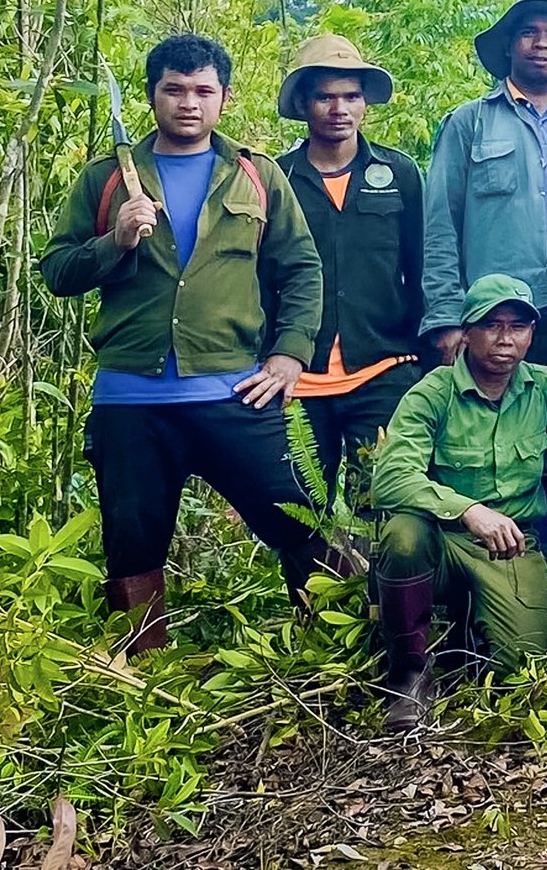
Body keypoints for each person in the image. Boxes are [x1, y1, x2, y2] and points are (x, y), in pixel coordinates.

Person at [39, 34, 334, 655]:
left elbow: (301, 269)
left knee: (299, 518)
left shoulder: (256, 175)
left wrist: (288, 356)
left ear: (224, 97)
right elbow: (59, 272)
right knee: (132, 546)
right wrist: (114, 241)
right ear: (152, 96)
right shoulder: (107, 179)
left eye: (203, 91)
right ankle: (144, 675)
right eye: (174, 90)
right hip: (130, 399)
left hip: (233, 391)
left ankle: (330, 648)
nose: (189, 103)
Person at [364, 276, 547, 730]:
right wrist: (468, 510)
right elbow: (390, 478)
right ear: (468, 332)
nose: (505, 339)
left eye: (518, 327)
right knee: (403, 534)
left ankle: (470, 626)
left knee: (522, 675)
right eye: (492, 325)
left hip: (510, 547)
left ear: (531, 334)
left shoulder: (542, 388)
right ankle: (408, 675)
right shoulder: (433, 392)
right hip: (442, 542)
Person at [273, 34, 435, 518]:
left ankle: (378, 599)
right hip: (299, 377)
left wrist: (428, 359)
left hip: (384, 367)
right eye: (325, 96)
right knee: (304, 518)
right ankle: (317, 598)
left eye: (351, 96)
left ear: (365, 104)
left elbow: (421, 266)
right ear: (304, 103)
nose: (339, 109)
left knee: (384, 509)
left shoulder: (399, 173)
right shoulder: (276, 179)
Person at [425, 0, 547, 396]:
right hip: (491, 317)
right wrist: (447, 318)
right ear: (509, 44)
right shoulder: (468, 122)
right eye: (528, 31)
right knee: (482, 436)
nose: (541, 43)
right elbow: (439, 226)